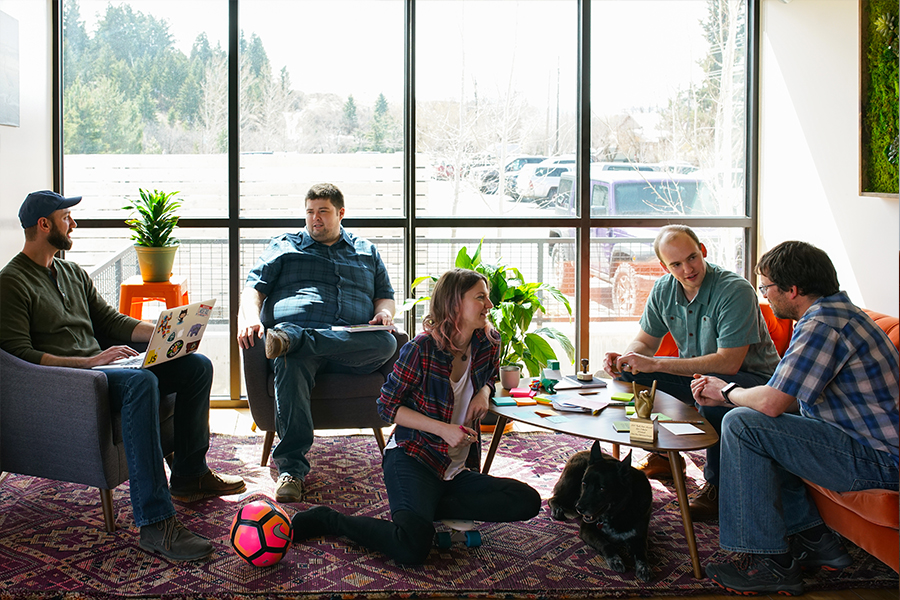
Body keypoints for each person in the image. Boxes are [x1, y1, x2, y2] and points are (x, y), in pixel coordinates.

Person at [0, 190, 245, 562]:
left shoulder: (71, 272)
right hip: (73, 385)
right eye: (67, 217)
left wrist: (168, 332)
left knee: (196, 366)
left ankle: (190, 475)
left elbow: (110, 321)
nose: (74, 223)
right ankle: (155, 523)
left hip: (105, 369)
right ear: (44, 224)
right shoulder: (11, 283)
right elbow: (19, 355)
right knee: (143, 382)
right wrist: (90, 362)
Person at [288, 268, 542, 564]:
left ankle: (427, 506)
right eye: (480, 297)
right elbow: (386, 406)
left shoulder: (487, 343)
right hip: (413, 457)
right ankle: (329, 520)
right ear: (455, 304)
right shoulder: (421, 349)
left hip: (456, 470)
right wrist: (444, 430)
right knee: (412, 548)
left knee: (527, 500)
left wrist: (484, 392)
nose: (489, 305)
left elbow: (488, 377)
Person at [691, 240, 898, 596]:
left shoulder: (823, 325)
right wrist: (733, 395)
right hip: (862, 446)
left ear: (793, 289)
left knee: (741, 424)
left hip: (878, 462)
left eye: (767, 287)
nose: (766, 296)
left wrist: (725, 392)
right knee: (754, 422)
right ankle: (813, 539)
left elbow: (771, 403)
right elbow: (784, 399)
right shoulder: (837, 314)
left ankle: (767, 563)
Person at [602, 225, 780, 521]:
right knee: (627, 375)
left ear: (703, 251)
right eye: (676, 264)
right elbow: (646, 342)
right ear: (664, 266)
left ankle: (717, 487)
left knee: (712, 397)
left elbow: (727, 364)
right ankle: (662, 456)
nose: (688, 269)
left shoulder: (734, 290)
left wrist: (657, 364)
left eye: (692, 258)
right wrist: (628, 357)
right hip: (699, 376)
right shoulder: (663, 289)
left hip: (752, 382)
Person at [237, 183, 398, 503]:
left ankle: (297, 340)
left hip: (349, 344)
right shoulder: (284, 246)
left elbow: (386, 298)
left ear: (341, 213)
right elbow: (252, 288)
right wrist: (248, 319)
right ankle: (291, 472)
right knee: (289, 360)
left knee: (386, 343)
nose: (315, 219)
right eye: (310, 212)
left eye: (323, 212)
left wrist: (383, 314)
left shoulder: (366, 251)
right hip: (296, 352)